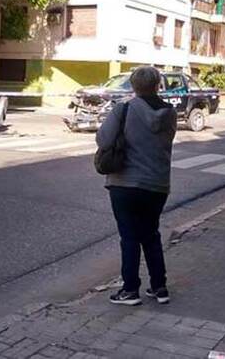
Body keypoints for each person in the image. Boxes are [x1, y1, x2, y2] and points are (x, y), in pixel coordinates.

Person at [96, 67, 177, 306]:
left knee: (129, 237)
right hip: (158, 184)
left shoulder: (125, 109)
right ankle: (160, 288)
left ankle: (130, 290)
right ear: (158, 85)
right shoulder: (170, 113)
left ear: (133, 86)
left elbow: (103, 140)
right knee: (151, 235)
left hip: (126, 183)